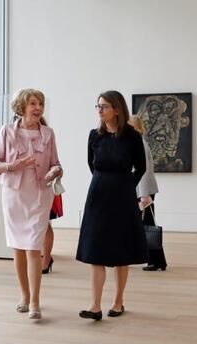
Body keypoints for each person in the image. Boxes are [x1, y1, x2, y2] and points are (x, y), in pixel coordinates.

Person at [0, 88, 62, 320]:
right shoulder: (7, 132)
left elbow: (56, 163)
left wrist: (56, 171)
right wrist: (12, 166)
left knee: (33, 248)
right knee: (18, 248)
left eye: (40, 103)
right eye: (33, 103)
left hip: (40, 195)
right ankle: (24, 296)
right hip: (14, 196)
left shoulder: (48, 133)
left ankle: (36, 302)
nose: (38, 108)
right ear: (21, 107)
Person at [76, 90, 147, 320]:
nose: (99, 110)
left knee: (120, 251)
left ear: (117, 109)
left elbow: (141, 167)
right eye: (97, 106)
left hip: (123, 197)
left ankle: (118, 301)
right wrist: (104, 182)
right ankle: (95, 306)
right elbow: (91, 164)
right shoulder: (94, 136)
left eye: (104, 106)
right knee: (95, 250)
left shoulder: (132, 137)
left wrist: (127, 186)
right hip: (97, 195)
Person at [130, 115, 168, 270]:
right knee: (146, 225)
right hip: (142, 191)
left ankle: (157, 261)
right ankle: (155, 260)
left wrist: (144, 195)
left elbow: (144, 171)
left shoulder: (139, 143)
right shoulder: (138, 142)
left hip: (144, 192)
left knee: (148, 225)